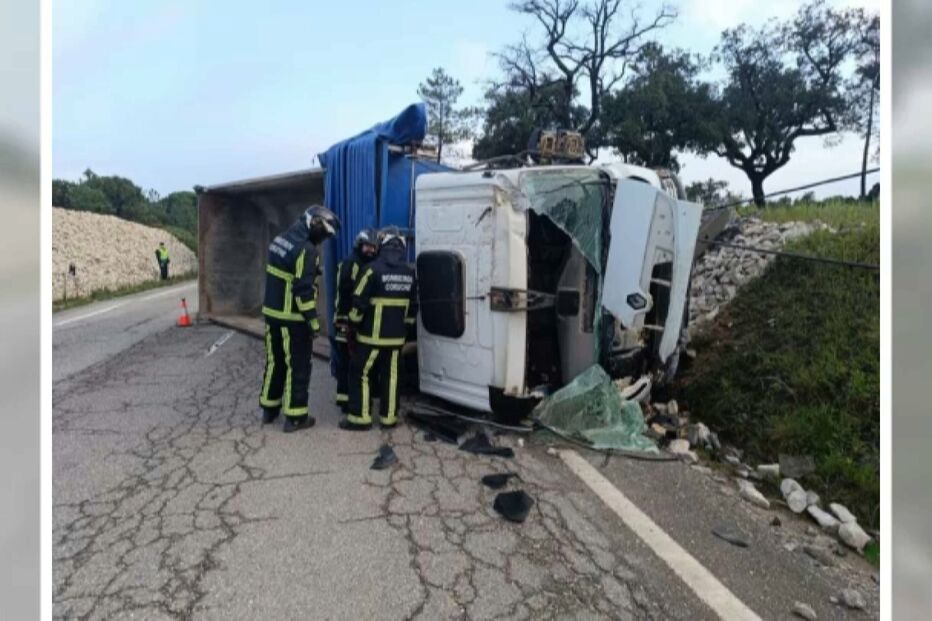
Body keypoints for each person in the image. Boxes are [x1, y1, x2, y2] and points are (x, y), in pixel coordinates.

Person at [259, 205, 340, 433]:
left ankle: (269, 409)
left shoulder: (280, 239)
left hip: (272, 315)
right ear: (314, 224)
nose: (322, 240)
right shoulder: (307, 250)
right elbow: (303, 291)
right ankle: (295, 418)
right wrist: (313, 323)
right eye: (323, 234)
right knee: (299, 367)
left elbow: (285, 273)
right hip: (292, 319)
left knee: (275, 362)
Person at [343, 226, 417, 431]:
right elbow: (413, 307)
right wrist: (405, 329)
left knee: (360, 373)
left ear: (382, 245)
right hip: (395, 339)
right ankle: (389, 419)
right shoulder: (409, 273)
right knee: (392, 376)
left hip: (370, 337)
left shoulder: (371, 270)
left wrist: (352, 325)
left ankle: (360, 419)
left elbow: (359, 302)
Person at [332, 228, 379, 411]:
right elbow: (346, 293)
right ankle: (345, 400)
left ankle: (348, 397)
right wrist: (349, 321)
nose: (371, 250)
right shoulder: (351, 264)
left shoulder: (364, 264)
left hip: (354, 320)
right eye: (368, 246)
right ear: (359, 245)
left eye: (374, 247)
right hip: (345, 321)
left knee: (353, 361)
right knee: (347, 362)